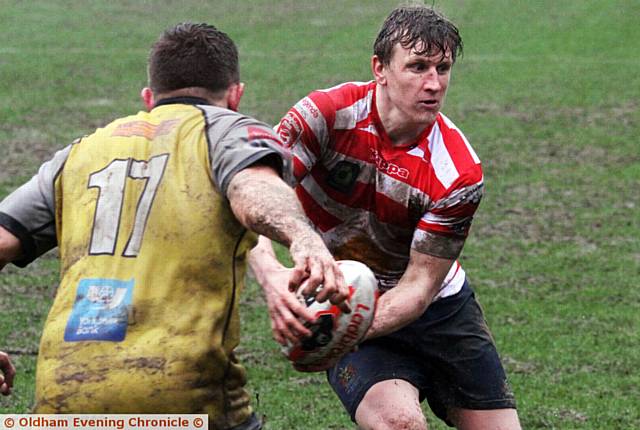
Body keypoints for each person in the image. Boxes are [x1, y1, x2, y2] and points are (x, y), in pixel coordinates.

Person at [0, 22, 349, 429]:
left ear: (149, 98)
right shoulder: (227, 129)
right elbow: (254, 188)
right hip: (180, 395)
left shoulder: (77, 154)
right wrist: (302, 236)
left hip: (64, 397)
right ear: (235, 96)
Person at [249, 6, 522, 430]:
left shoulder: (458, 173)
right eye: (417, 66)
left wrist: (343, 328)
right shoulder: (324, 116)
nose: (433, 84)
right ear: (380, 68)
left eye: (442, 68)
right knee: (399, 424)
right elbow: (258, 194)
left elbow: (419, 287)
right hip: (346, 293)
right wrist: (271, 275)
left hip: (441, 311)